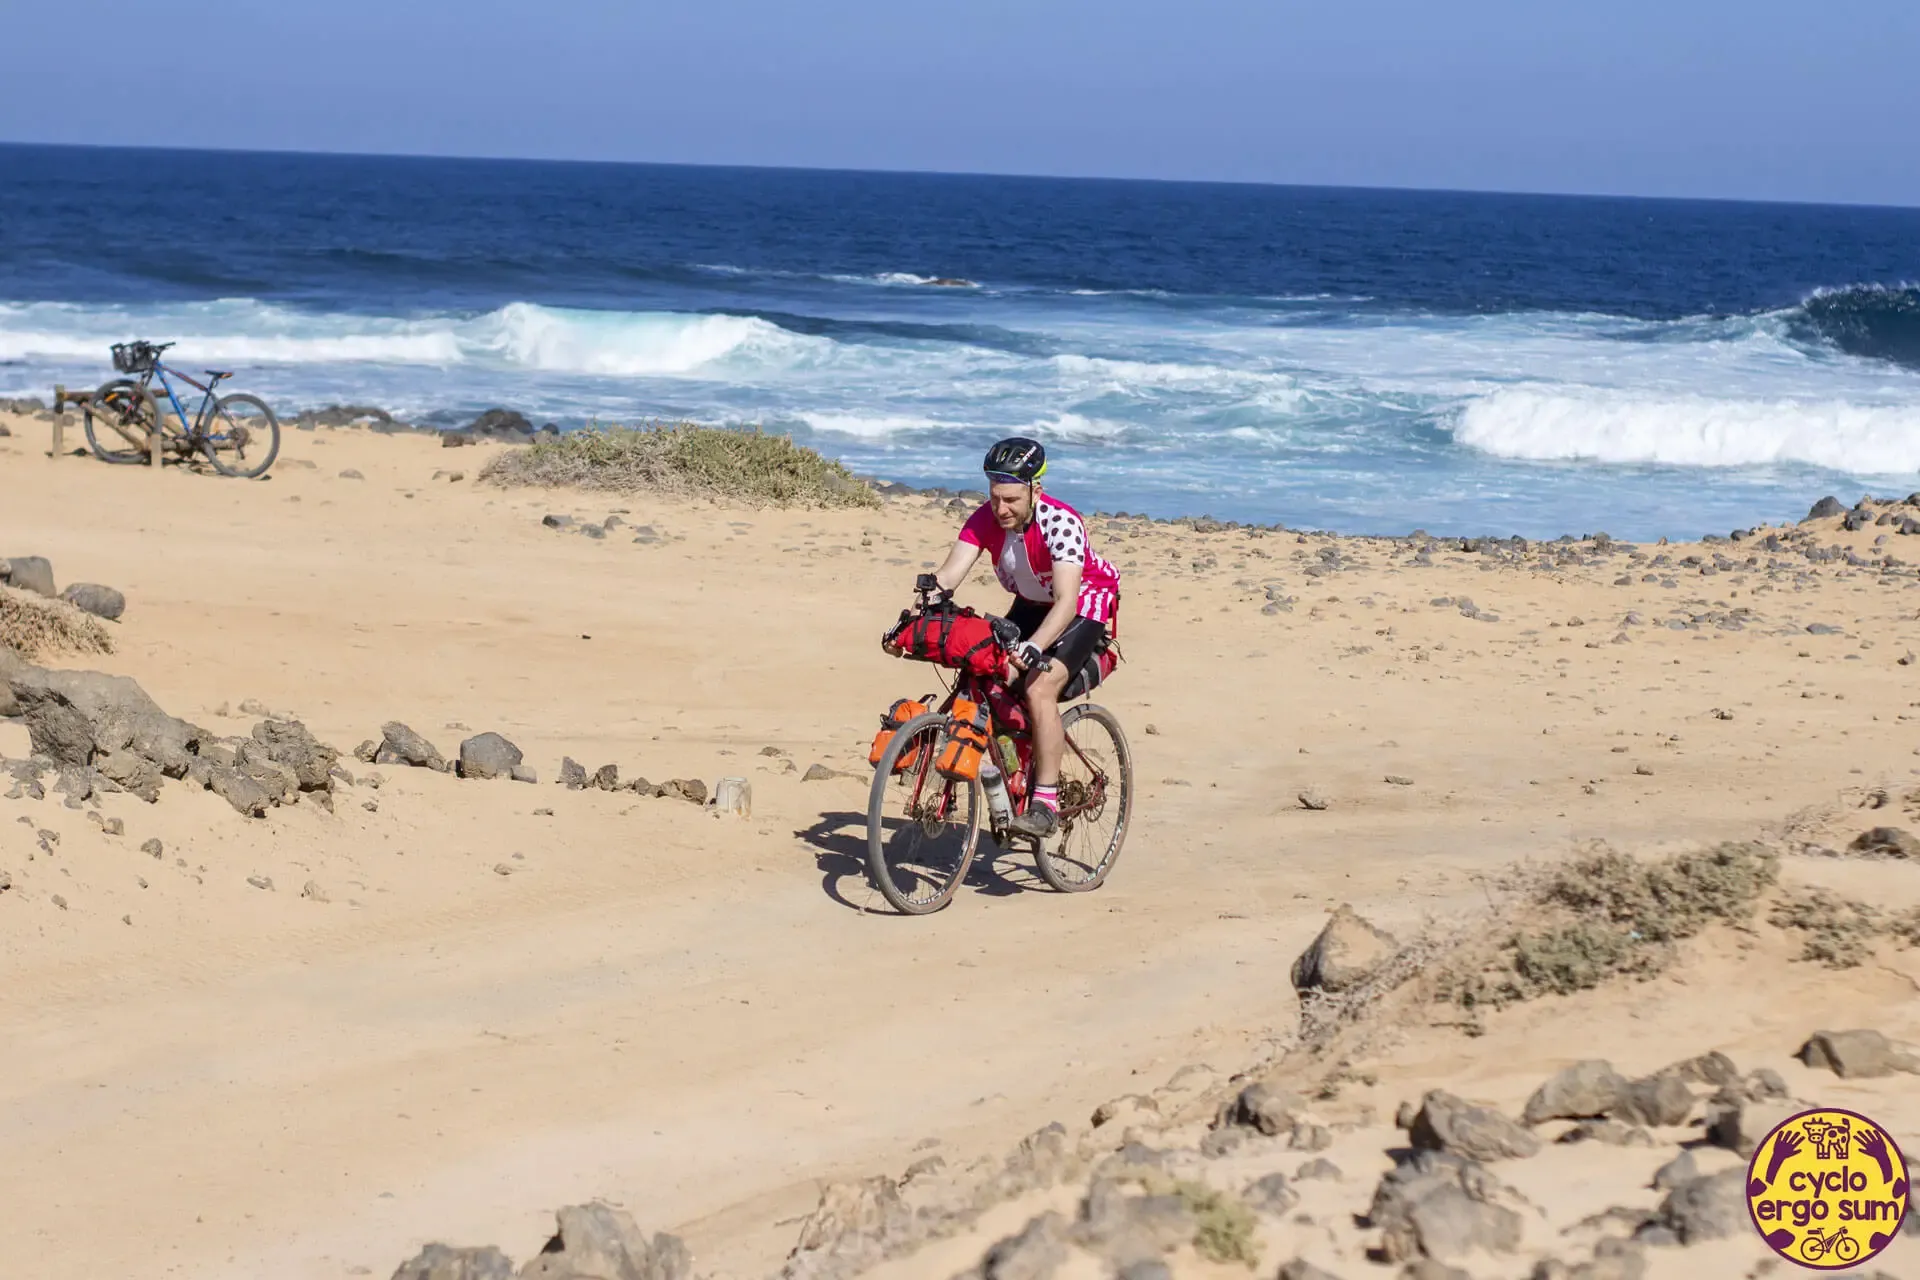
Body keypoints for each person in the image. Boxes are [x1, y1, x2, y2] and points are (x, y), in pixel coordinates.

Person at [926, 437, 1121, 837]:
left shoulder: (1061, 522)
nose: (1001, 509)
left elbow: (1066, 602)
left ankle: (1045, 803)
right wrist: (918, 610)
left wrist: (1034, 647)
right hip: (1031, 602)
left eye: (1012, 499)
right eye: (995, 497)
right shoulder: (985, 518)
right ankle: (1015, 762)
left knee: (1039, 687)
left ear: (1036, 490)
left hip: (1084, 603)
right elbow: (947, 578)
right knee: (985, 668)